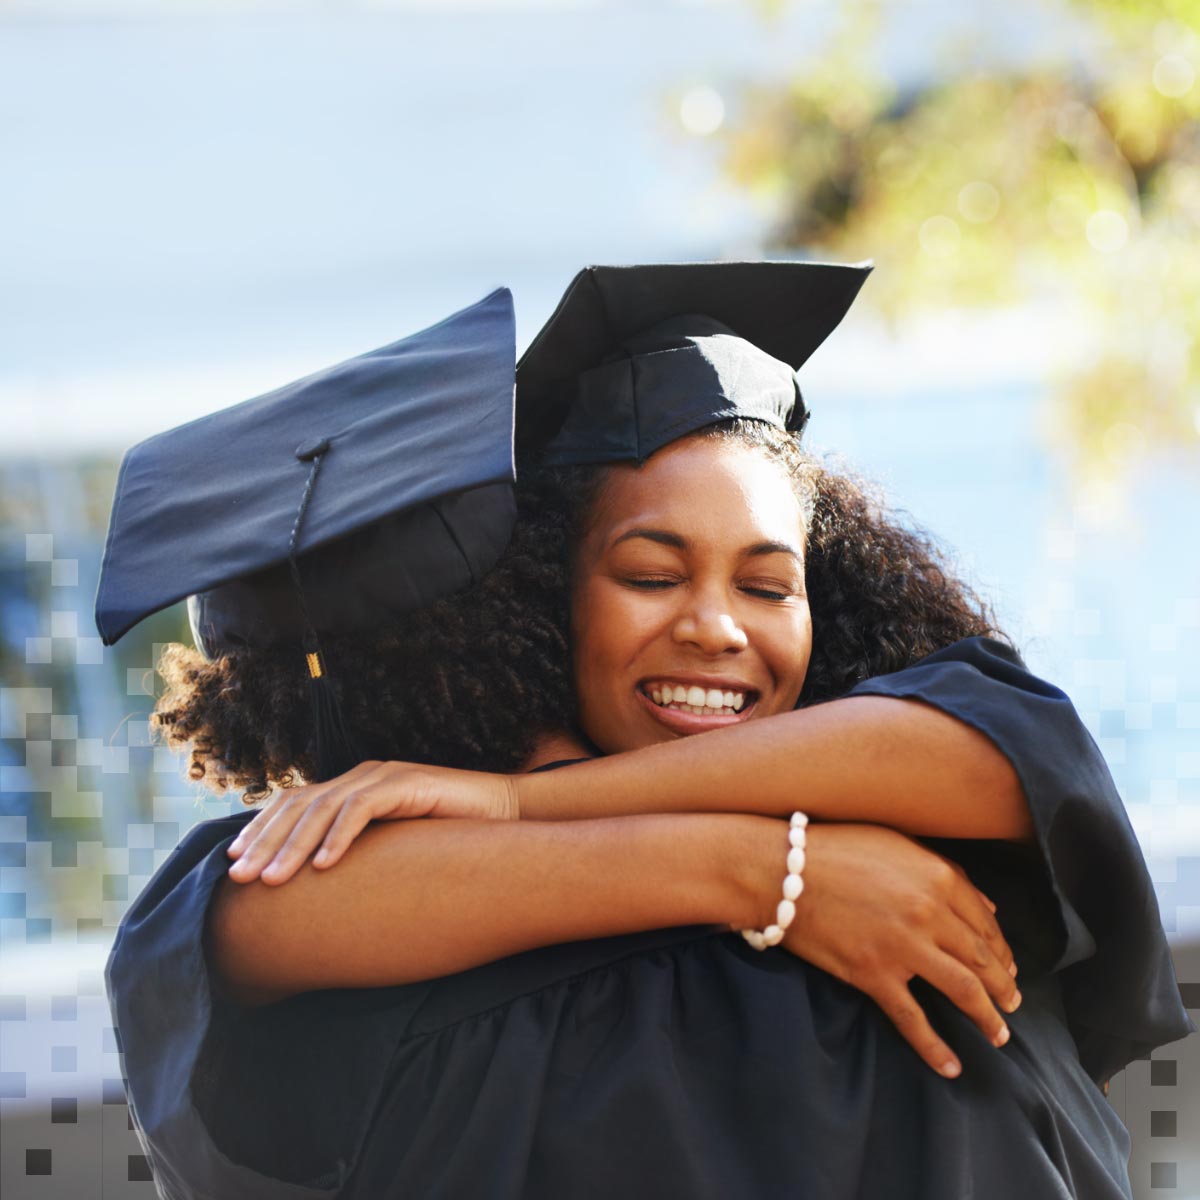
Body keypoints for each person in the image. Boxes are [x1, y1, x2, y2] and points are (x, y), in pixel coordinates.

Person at [101, 264, 1193, 1200]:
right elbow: (260, 909)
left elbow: (996, 754)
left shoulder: (933, 839)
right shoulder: (370, 923)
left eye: (773, 586)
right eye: (650, 573)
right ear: (536, 606)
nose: (715, 627)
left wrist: (539, 800)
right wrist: (769, 872)